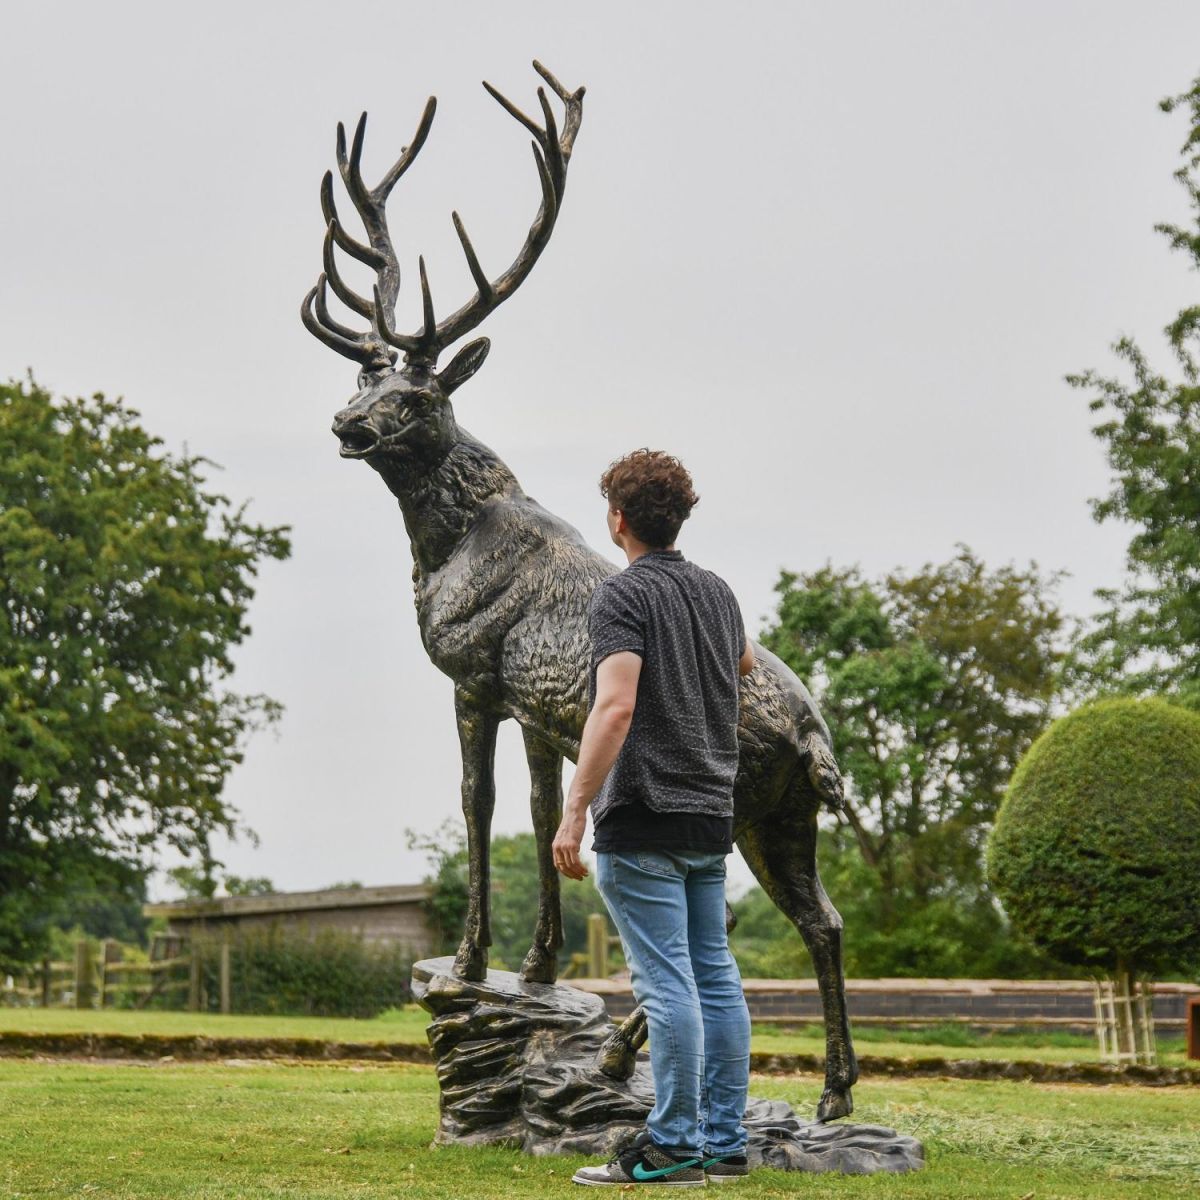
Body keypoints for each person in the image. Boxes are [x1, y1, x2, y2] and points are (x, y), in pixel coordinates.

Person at [553, 448, 755, 1188]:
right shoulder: (718, 593)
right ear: (679, 518)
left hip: (644, 815)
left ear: (617, 520)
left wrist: (574, 809)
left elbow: (616, 705)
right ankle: (725, 1144)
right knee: (715, 980)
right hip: (710, 815)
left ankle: (671, 1148)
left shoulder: (621, 596)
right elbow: (745, 666)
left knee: (666, 987)